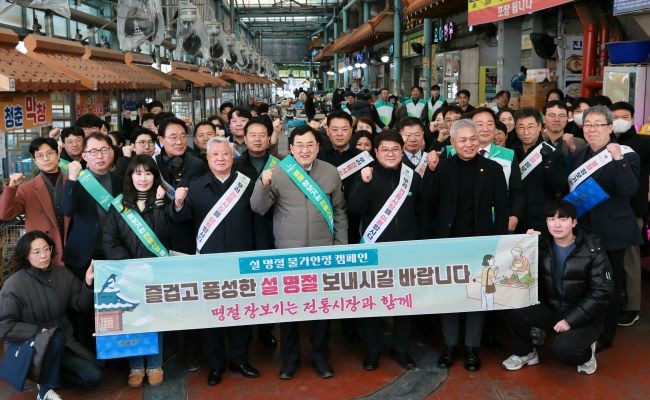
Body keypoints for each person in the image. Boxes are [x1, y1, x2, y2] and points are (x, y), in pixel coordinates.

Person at [251, 125, 348, 380]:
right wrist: (263, 183)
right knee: (289, 309)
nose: (305, 150)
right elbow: (258, 207)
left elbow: (339, 210)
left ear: (318, 147)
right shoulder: (278, 171)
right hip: (288, 253)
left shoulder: (330, 172)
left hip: (323, 251)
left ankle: (320, 356)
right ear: (291, 148)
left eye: (310, 145)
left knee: (322, 308)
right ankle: (289, 359)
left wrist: (340, 246)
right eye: (300, 146)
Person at [172, 138, 268, 385]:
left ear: (232, 156)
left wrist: (259, 256)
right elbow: (182, 220)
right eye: (214, 154)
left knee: (241, 313)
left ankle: (240, 360)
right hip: (209, 263)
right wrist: (178, 203)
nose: (220, 158)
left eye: (225, 154)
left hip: (241, 260)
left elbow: (258, 222)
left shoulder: (246, 184)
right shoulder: (196, 186)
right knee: (212, 315)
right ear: (207, 158)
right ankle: (216, 365)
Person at [425, 119, 508, 371]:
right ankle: (450, 346)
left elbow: (502, 208)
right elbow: (427, 199)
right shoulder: (443, 167)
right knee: (450, 296)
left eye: (473, 139)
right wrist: (430, 170)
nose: (469, 144)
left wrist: (499, 242)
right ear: (452, 142)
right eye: (462, 140)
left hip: (480, 244)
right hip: (448, 243)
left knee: (477, 296)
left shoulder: (492, 169)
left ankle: (472, 347)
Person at [348, 130, 430, 371]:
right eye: (385, 150)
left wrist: (420, 241)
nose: (391, 154)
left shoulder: (411, 177)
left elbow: (422, 212)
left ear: (402, 151)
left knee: (404, 302)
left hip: (406, 251)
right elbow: (354, 208)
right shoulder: (368, 175)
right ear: (376, 152)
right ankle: (372, 349)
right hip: (374, 252)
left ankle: (401, 348)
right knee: (373, 302)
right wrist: (363, 184)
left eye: (395, 149)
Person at [502, 200, 613, 375]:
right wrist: (525, 244)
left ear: (574, 222)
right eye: (552, 219)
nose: (557, 225)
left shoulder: (592, 250)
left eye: (563, 219)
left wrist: (571, 320)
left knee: (563, 351)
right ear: (546, 222)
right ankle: (525, 353)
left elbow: (602, 292)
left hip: (584, 316)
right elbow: (518, 270)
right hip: (553, 309)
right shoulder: (541, 244)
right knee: (514, 304)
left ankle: (588, 353)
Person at [569, 105, 641, 352]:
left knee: (609, 285)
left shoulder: (626, 154)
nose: (592, 130)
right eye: (588, 125)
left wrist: (618, 160)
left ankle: (605, 335)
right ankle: (585, 327)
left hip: (612, 231)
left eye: (598, 125)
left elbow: (629, 189)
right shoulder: (580, 154)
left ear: (610, 128)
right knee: (586, 283)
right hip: (584, 230)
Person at [0, 231, 102, 400]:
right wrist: (39, 331)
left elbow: (80, 305)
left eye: (46, 249)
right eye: (36, 252)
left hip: (61, 343)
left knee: (94, 374)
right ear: (26, 255)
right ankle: (44, 388)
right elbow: (4, 326)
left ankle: (46, 377)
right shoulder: (14, 285)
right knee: (53, 336)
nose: (43, 255)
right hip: (30, 348)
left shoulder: (62, 274)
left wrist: (87, 283)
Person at [103, 155, 170, 388]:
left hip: (155, 272)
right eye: (138, 173)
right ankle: (136, 366)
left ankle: (155, 364)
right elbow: (110, 240)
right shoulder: (119, 205)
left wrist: (160, 204)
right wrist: (129, 265)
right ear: (130, 176)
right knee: (131, 317)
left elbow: (165, 235)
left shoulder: (163, 201)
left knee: (155, 317)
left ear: (155, 176)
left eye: (148, 173)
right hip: (128, 273)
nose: (143, 178)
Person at [610, 101, 650, 327]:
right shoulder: (606, 141)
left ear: (632, 119)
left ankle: (633, 306)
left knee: (630, 260)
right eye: (614, 116)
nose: (619, 121)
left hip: (633, 211)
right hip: (608, 211)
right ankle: (614, 301)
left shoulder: (643, 143)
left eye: (624, 116)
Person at [0, 137, 69, 266]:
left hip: (73, 246)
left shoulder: (72, 181)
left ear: (58, 154)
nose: (46, 159)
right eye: (40, 156)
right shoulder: (27, 188)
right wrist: (11, 188)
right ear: (35, 160)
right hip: (44, 250)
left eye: (50, 153)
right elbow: (5, 214)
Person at [513, 107, 567, 232]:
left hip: (542, 219)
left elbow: (559, 187)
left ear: (539, 127)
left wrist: (548, 163)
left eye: (530, 126)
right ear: (515, 129)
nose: (526, 132)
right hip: (515, 219)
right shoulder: (510, 152)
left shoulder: (553, 153)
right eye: (521, 127)